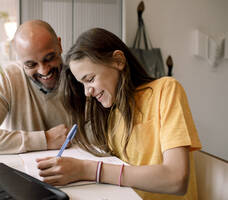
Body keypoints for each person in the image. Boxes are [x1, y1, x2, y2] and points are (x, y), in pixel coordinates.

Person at [36, 28, 202, 200]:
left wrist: (89, 170)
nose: (87, 92)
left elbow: (176, 179)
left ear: (118, 60)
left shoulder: (166, 90)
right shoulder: (113, 111)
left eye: (90, 79)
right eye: (82, 84)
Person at [0, 20, 72, 154]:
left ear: (59, 45)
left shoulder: (82, 76)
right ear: (20, 60)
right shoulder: (7, 79)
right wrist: (45, 139)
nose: (44, 71)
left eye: (49, 58)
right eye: (31, 65)